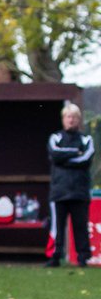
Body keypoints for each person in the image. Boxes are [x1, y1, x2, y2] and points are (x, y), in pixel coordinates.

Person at [45, 102, 95, 267]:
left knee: (80, 226)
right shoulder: (56, 138)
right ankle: (55, 256)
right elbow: (55, 155)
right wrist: (75, 152)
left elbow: (86, 159)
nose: (71, 120)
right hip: (59, 190)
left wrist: (64, 159)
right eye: (68, 117)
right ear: (63, 119)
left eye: (74, 117)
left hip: (79, 191)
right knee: (57, 226)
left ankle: (82, 258)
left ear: (78, 119)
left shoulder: (86, 139)